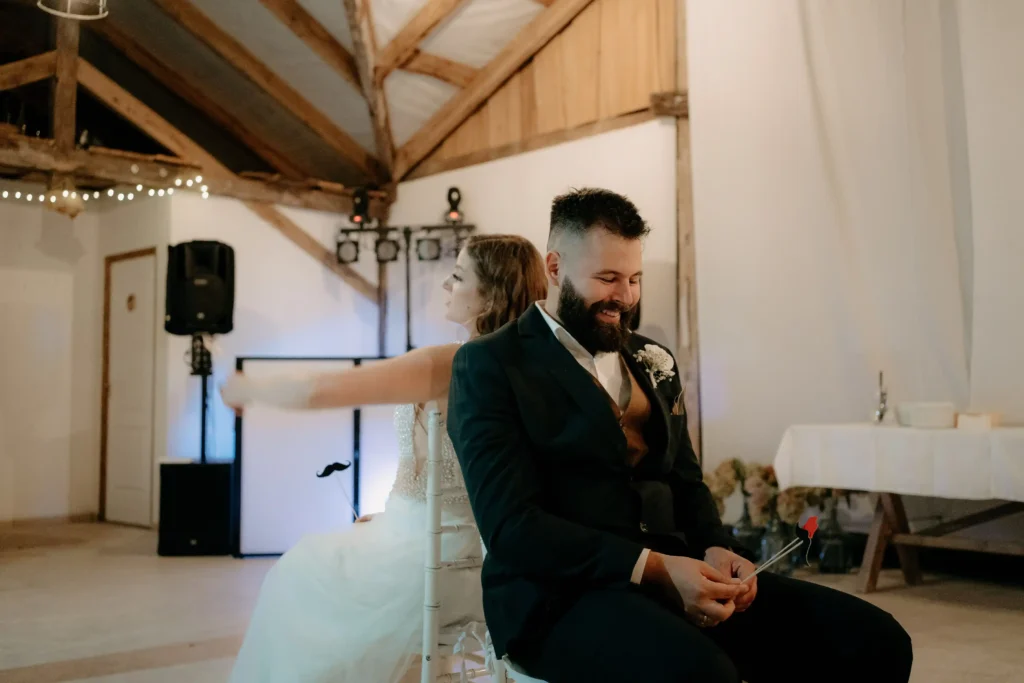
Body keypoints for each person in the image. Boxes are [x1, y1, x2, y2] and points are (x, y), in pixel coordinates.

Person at [446, 188, 914, 683]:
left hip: (678, 573)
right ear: (556, 268)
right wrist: (655, 567)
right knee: (702, 674)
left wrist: (716, 548)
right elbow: (512, 528)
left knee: (874, 639)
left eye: (634, 279)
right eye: (607, 278)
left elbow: (685, 480)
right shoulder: (491, 364)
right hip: (558, 597)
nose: (626, 297)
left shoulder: (653, 359)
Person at [220, 234, 547, 683]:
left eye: (457, 276)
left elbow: (325, 390)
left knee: (298, 574)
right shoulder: (539, 369)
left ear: (490, 296)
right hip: (496, 562)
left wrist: (247, 388)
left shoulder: (453, 363)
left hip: (436, 563)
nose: (446, 286)